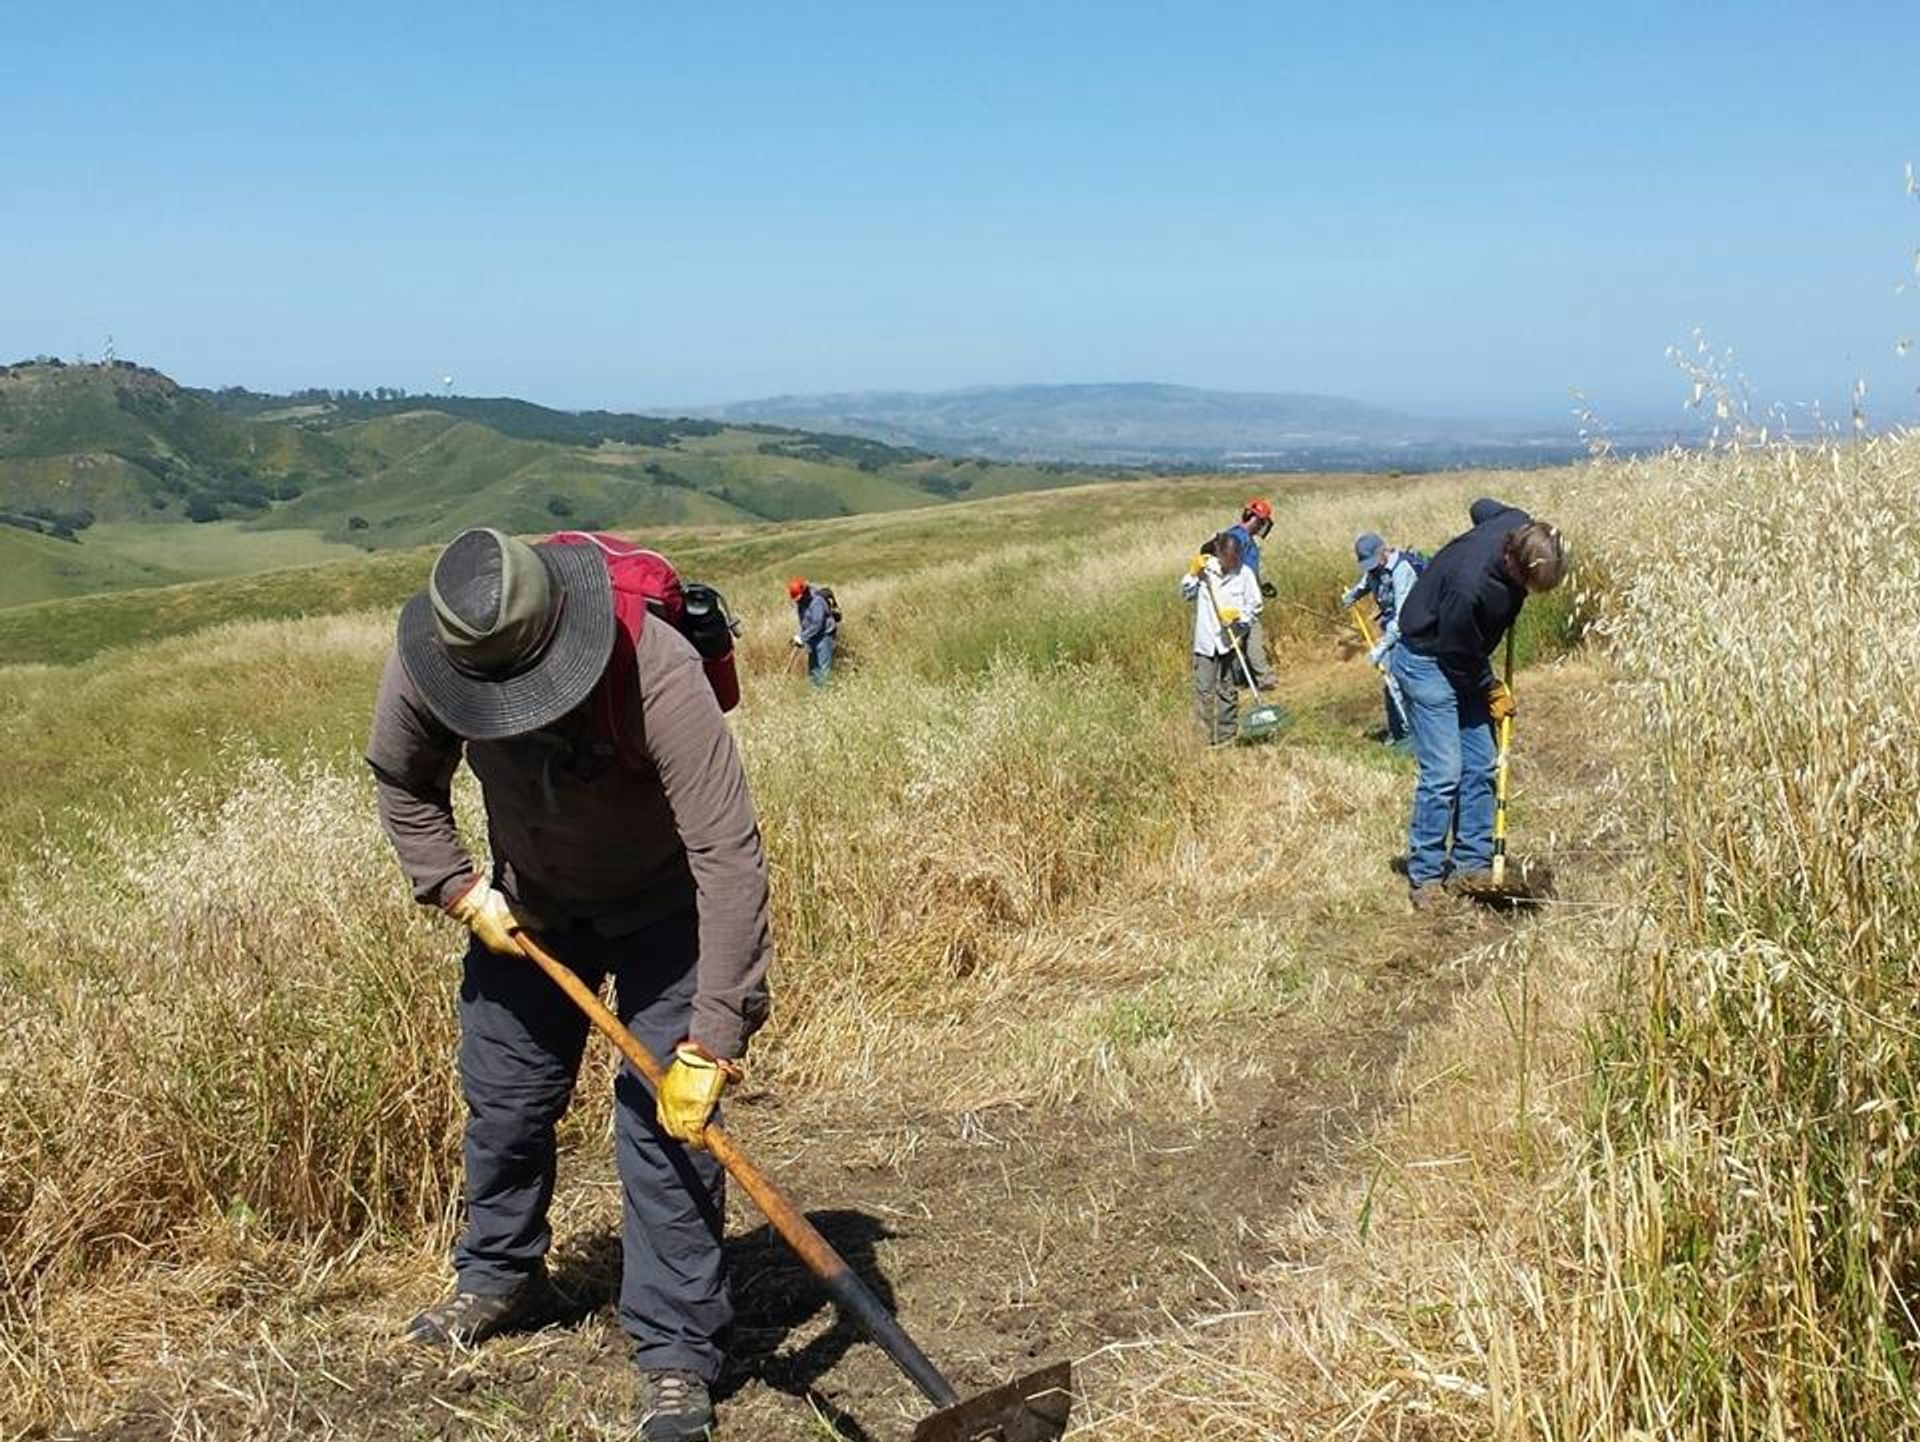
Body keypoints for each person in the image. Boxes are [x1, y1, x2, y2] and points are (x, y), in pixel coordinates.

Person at [365, 528, 774, 1441]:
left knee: (667, 1132)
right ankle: (501, 1278)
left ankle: (675, 1355)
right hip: (528, 914)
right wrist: (458, 887)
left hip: (668, 913)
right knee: (505, 1101)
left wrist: (714, 1033)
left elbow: (728, 856)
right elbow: (402, 778)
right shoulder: (432, 657)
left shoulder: (653, 665)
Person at [1389, 500, 1568, 909]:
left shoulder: (1514, 523)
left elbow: (1479, 506)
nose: (1527, 593)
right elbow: (1457, 653)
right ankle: (1427, 877)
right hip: (1428, 661)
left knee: (1482, 763)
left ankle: (1471, 863)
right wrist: (1490, 689)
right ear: (1511, 558)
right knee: (1445, 771)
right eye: (1526, 584)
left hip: (1465, 658)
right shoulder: (1471, 586)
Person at [1341, 531, 1423, 748]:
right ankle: (1399, 734)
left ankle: (1414, 733)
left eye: (1372, 561)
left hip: (1411, 632)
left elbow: (1402, 618)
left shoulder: (1402, 570)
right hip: (1391, 630)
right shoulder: (1375, 569)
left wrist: (1383, 647)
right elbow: (1366, 582)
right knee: (1390, 682)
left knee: (1401, 682)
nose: (1371, 567)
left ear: (1383, 552)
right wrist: (1353, 595)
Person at [1180, 530, 1263, 745]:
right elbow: (1186, 594)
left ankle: (1227, 737)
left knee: (1227, 691)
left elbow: (1255, 605)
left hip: (1230, 642)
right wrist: (1192, 574)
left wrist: (1239, 617)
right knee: (1204, 692)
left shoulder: (1244, 574)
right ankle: (1203, 740)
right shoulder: (1205, 571)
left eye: (1236, 559)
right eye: (1228, 559)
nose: (1232, 564)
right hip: (1206, 642)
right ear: (1220, 553)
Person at [1222, 498, 1279, 690]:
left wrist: (1264, 585)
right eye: (1262, 522)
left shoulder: (1248, 541)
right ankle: (1265, 678)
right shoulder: (1235, 538)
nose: (1263, 526)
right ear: (1255, 519)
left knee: (1240, 639)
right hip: (1238, 598)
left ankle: (1238, 678)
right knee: (1253, 634)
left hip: (1248, 594)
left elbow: (1252, 568)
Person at [789, 576, 837, 687]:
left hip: (824, 635)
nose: (798, 601)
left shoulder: (817, 601)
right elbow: (805, 622)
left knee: (823, 667)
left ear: (805, 591)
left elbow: (817, 624)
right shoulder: (801, 602)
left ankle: (825, 695)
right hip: (811, 637)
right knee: (813, 667)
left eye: (799, 598)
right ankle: (815, 694)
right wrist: (800, 636)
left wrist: (803, 637)